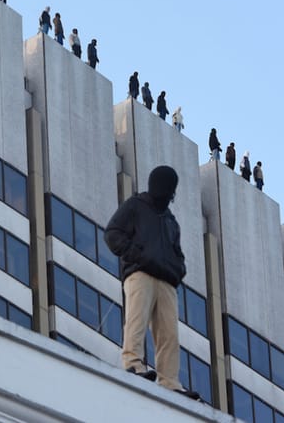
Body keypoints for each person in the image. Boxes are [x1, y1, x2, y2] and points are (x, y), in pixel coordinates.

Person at [105, 166, 199, 400]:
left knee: (169, 334)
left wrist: (177, 270)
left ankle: (170, 381)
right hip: (141, 274)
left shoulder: (171, 221)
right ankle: (133, 364)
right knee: (136, 319)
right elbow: (113, 232)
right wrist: (136, 255)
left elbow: (178, 253)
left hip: (166, 281)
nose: (168, 193)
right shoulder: (136, 206)